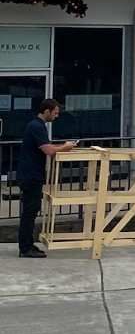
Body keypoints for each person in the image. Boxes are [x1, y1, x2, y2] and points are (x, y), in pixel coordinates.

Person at [15, 98, 76, 259]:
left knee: (31, 211)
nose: (56, 116)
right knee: (29, 212)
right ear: (47, 111)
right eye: (55, 113)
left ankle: (28, 244)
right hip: (30, 176)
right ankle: (25, 248)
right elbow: (48, 150)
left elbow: (46, 147)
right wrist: (65, 147)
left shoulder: (37, 125)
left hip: (32, 174)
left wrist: (62, 147)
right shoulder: (36, 126)